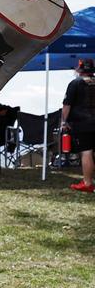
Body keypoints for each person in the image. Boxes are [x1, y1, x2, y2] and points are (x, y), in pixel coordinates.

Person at [63, 58, 95, 192]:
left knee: (86, 152)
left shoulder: (75, 83)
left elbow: (67, 105)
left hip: (82, 123)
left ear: (80, 69)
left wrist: (64, 122)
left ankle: (87, 183)